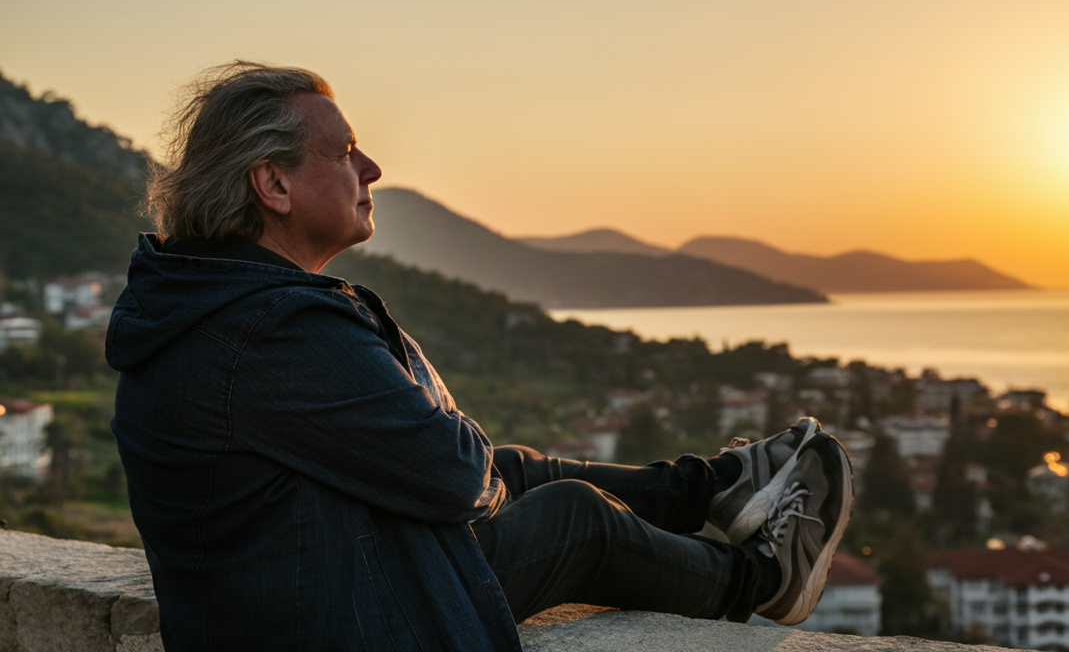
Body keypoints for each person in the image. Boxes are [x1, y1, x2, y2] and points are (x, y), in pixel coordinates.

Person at [107, 61, 854, 651]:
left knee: (516, 467)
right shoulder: (271, 328)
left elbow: (456, 468)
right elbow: (458, 474)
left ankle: (717, 487)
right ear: (272, 184)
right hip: (341, 625)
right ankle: (761, 579)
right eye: (342, 152)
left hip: (291, 598)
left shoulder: (206, 304)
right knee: (570, 517)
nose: (370, 170)